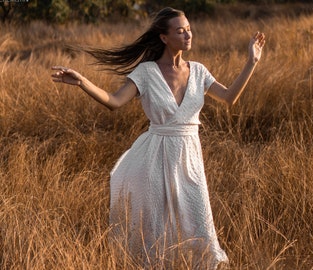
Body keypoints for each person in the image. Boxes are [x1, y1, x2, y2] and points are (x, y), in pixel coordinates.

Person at [52, 7, 265, 269]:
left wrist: (251, 62)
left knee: (199, 227)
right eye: (180, 30)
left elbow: (230, 97)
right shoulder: (146, 72)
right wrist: (83, 82)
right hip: (154, 159)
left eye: (188, 29)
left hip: (189, 159)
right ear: (164, 37)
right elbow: (114, 101)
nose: (188, 34)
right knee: (154, 230)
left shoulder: (198, 71)